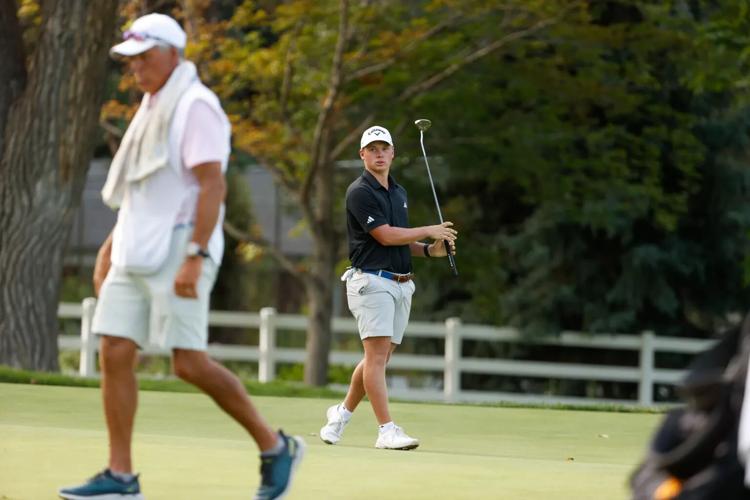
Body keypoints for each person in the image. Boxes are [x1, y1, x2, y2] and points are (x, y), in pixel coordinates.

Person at [58, 13, 303, 500]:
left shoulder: (196, 106)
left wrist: (194, 255)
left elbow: (211, 184)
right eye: (131, 60)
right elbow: (140, 191)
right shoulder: (150, 108)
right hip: (135, 244)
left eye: (145, 57)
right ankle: (121, 476)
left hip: (182, 242)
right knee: (114, 348)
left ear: (174, 54)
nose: (136, 69)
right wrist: (110, 247)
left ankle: (276, 446)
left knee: (188, 363)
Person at [319, 125, 458, 450]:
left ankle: (340, 414)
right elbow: (384, 235)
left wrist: (429, 250)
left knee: (378, 358)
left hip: (401, 283)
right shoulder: (360, 192)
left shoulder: (398, 192)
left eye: (384, 148)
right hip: (371, 281)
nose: (379, 153)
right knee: (377, 357)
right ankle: (386, 430)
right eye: (373, 149)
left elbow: (400, 240)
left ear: (392, 153)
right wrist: (428, 229)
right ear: (363, 155)